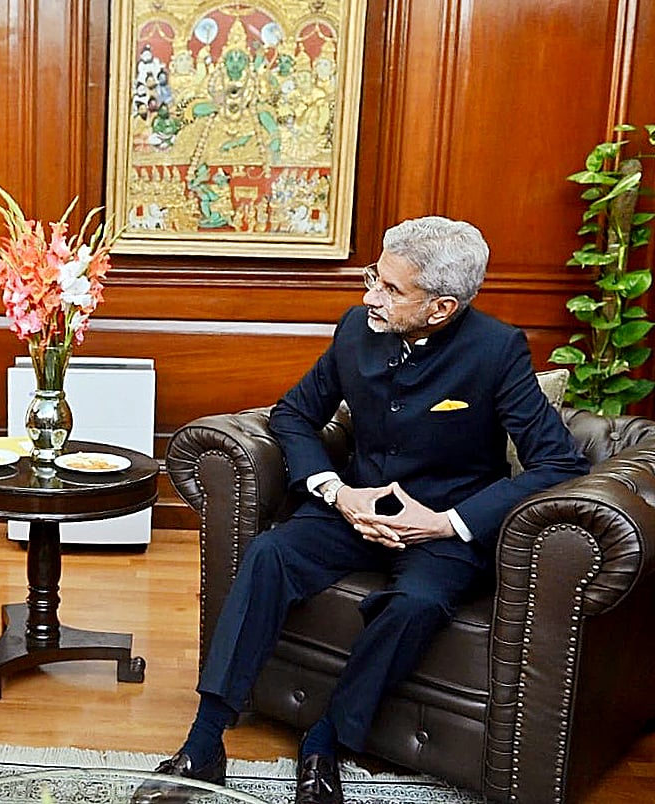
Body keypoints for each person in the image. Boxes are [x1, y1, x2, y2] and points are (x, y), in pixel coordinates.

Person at [134, 216, 589, 804]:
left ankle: (324, 742)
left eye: (392, 289)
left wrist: (446, 523)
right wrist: (335, 492)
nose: (370, 294)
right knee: (271, 552)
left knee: (418, 602)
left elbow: (557, 464)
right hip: (354, 507)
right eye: (375, 276)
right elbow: (295, 413)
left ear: (441, 307)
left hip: (442, 527)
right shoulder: (357, 328)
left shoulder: (497, 351)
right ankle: (203, 742)